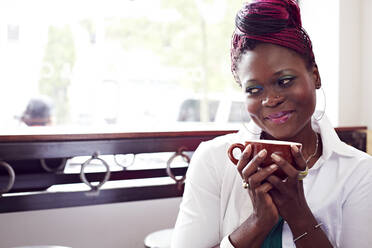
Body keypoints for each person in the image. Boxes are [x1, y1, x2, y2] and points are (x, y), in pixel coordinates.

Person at [171, 0, 372, 247]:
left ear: (315, 76)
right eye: (254, 89)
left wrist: (298, 214)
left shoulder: (360, 173)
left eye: (285, 81)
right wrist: (258, 221)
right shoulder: (213, 159)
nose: (271, 99)